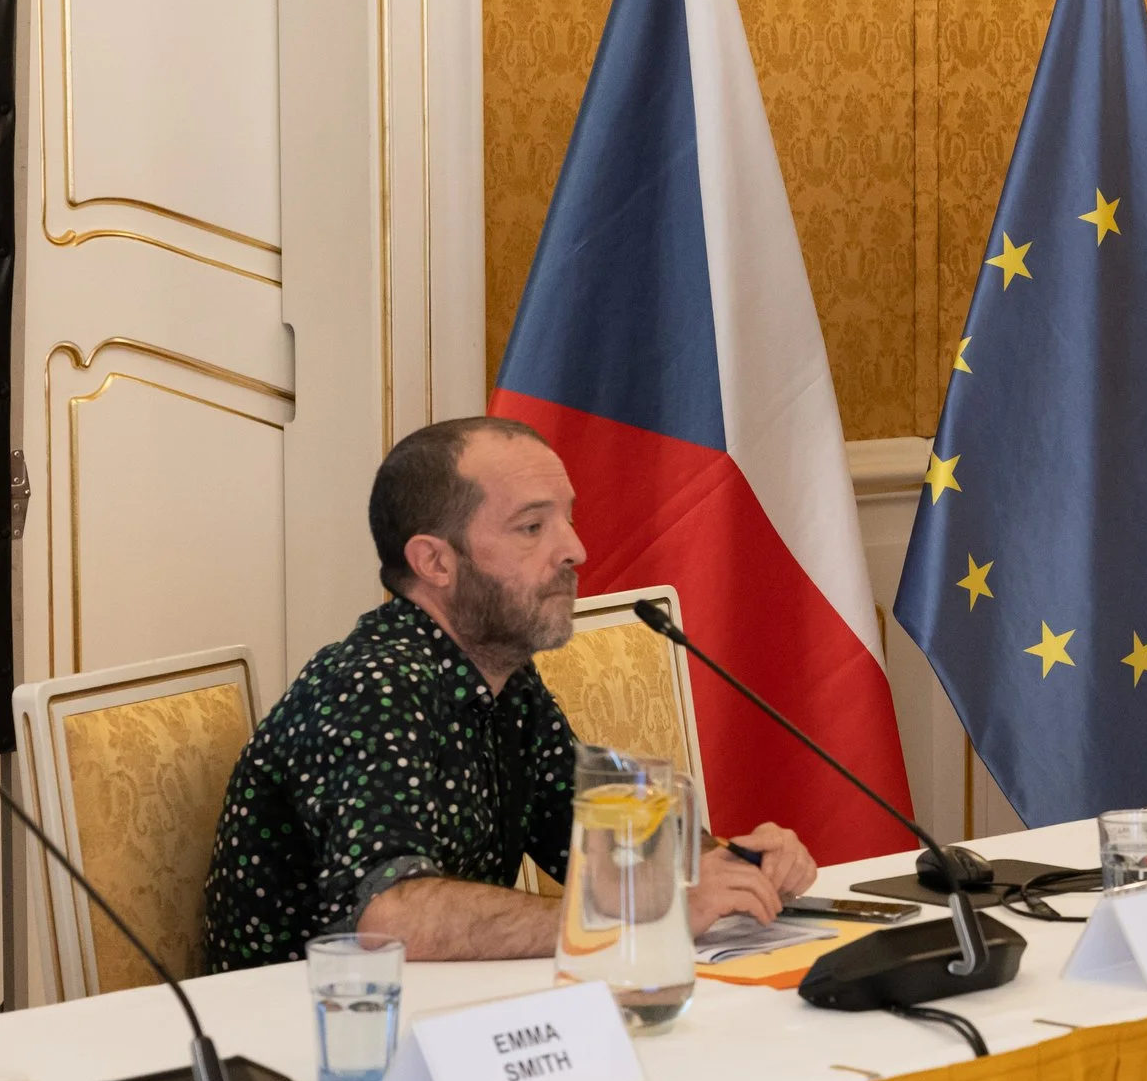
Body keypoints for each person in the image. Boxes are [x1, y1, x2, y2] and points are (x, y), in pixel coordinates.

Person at [203, 416, 817, 972]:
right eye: (532, 526)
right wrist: (635, 915)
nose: (575, 549)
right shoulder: (372, 687)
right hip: (304, 1043)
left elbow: (600, 843)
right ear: (435, 563)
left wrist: (732, 867)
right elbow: (389, 919)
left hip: (447, 1014)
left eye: (566, 518)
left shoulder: (504, 680)